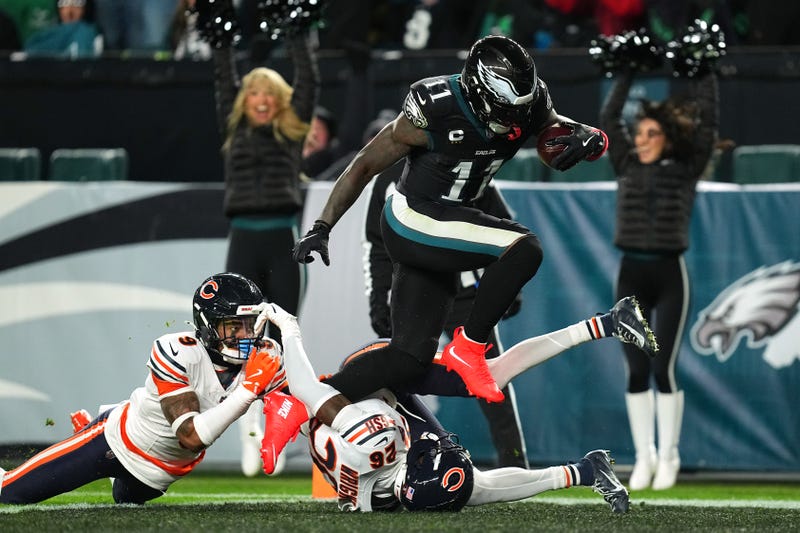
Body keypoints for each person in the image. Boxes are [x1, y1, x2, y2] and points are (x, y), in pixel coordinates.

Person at [292, 34, 610, 408]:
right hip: (413, 218)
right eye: (504, 110)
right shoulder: (436, 106)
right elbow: (364, 164)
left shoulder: (530, 103)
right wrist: (322, 226)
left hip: (448, 227)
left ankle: (299, 403)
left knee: (408, 358)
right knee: (524, 249)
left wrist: (592, 138)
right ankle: (470, 349)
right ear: (477, 90)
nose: (513, 123)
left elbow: (555, 132)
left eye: (519, 112)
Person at [256, 299, 652, 513]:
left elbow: (314, 391)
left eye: (437, 454)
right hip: (372, 420)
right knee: (474, 489)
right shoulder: (394, 473)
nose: (446, 446)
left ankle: (604, 323)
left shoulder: (370, 443)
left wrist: (288, 329)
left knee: (492, 376)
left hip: (374, 382)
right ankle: (585, 471)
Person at [0, 273, 284, 505]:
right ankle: (91, 429)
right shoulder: (177, 350)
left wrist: (292, 340)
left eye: (250, 325)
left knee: (123, 499)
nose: (246, 336)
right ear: (208, 326)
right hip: (114, 442)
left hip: (159, 473)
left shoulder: (267, 354)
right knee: (11, 493)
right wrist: (249, 390)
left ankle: (94, 434)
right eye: (234, 326)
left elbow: (304, 406)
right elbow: (190, 436)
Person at [599, 30, 719, 490]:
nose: (643, 140)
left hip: (669, 273)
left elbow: (707, 124)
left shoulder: (685, 170)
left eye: (652, 134)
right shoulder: (626, 165)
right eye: (641, 134)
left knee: (662, 366)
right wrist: (628, 70)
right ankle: (643, 457)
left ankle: (669, 454)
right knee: (633, 368)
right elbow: (610, 116)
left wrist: (705, 72)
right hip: (631, 271)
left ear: (668, 141)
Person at [206, 1, 320, 477]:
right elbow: (222, 81)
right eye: (252, 90)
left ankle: (278, 425)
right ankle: (248, 426)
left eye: (268, 91)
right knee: (239, 340)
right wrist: (222, 46)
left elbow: (309, 84)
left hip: (281, 239)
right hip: (243, 240)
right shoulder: (232, 129)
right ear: (243, 99)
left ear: (279, 100)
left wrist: (297, 38)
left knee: (283, 336)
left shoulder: (290, 134)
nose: (260, 97)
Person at [363, 163, 529, 468]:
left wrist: (507, 284)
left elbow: (503, 227)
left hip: (462, 290)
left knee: (489, 376)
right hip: (412, 291)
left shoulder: (463, 164)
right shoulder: (387, 179)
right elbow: (377, 245)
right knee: (397, 376)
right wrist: (378, 296)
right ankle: (399, 459)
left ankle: (514, 461)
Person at [24, 0, 100, 58]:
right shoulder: (43, 38)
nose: (70, 11)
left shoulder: (88, 32)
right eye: (64, 3)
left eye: (77, 3)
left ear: (86, 8)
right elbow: (29, 51)